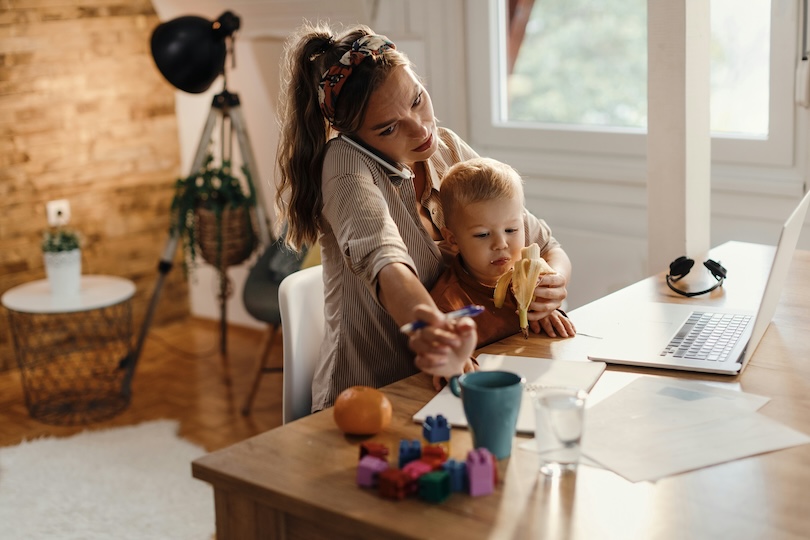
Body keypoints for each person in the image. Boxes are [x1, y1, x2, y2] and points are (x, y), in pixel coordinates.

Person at [275, 23, 572, 410]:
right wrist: (436, 331)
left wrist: (553, 284)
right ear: (352, 134)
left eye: (417, 100)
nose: (420, 130)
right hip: (375, 397)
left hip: (455, 382)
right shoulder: (344, 162)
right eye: (388, 127)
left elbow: (543, 243)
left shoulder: (444, 146)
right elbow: (386, 263)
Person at [431, 157, 576, 346]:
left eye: (511, 230)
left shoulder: (531, 284)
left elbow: (554, 251)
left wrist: (548, 310)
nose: (500, 244)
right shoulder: (447, 306)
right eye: (482, 234)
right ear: (453, 239)